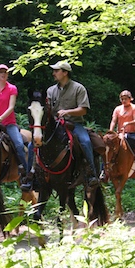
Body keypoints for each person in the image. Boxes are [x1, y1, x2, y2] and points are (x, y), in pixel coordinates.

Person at [46, 60, 99, 188]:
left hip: (74, 124)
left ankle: (91, 173)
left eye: (56, 71)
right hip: (55, 125)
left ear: (65, 73)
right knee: (34, 143)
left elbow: (83, 109)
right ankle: (32, 174)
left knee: (85, 141)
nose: (54, 73)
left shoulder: (78, 88)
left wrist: (67, 112)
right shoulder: (50, 90)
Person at [0, 63, 33, 191]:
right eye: (0, 72)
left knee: (18, 144)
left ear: (7, 74)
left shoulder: (12, 88)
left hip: (9, 124)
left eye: (5, 72)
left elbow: (11, 107)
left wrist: (0, 118)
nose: (3, 74)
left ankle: (25, 170)